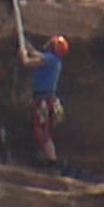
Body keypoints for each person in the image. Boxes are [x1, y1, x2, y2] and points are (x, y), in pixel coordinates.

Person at [18, 35, 71, 169]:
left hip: (43, 99)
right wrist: (25, 41)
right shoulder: (54, 60)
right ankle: (50, 159)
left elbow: (27, 62)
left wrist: (23, 54)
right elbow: (36, 53)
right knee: (45, 129)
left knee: (41, 130)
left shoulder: (49, 60)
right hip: (48, 99)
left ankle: (51, 160)